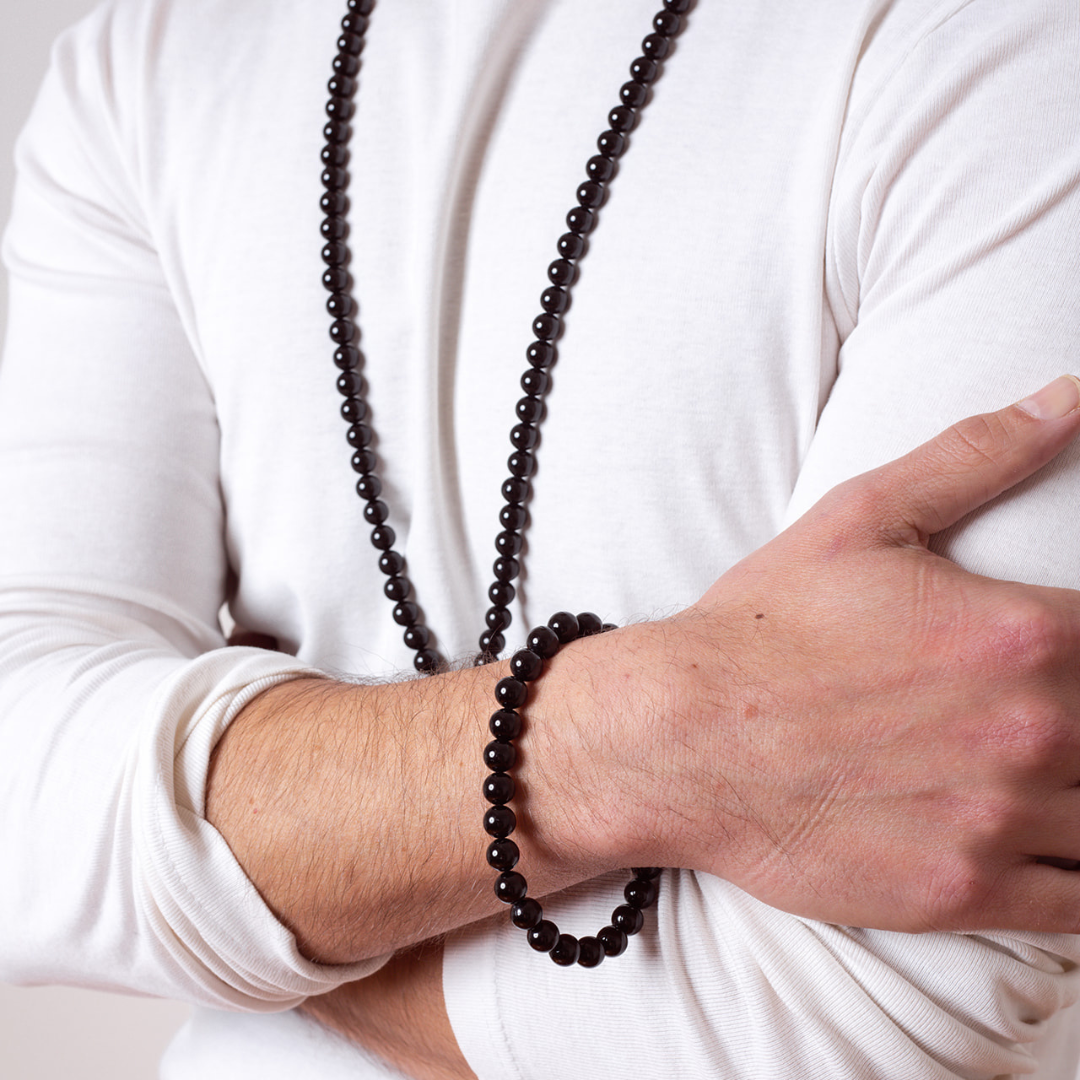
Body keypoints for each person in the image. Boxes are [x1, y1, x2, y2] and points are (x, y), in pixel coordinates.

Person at [2, 0, 1080, 1076]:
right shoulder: (150, 62)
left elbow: (856, 1015)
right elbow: (20, 821)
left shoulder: (1009, 42)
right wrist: (638, 736)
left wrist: (211, 899)